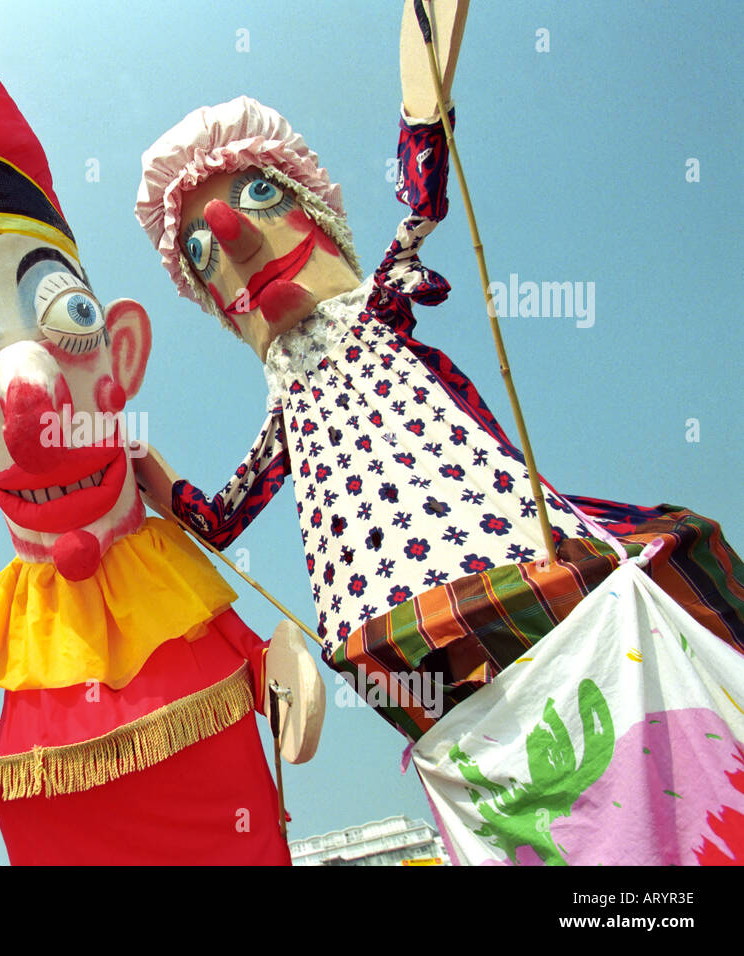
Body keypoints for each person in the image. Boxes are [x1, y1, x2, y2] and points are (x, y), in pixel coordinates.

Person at [133, 2, 743, 739]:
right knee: (494, 730)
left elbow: (422, 204)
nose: (231, 239)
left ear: (317, 217)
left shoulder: (373, 311)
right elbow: (223, 517)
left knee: (600, 664)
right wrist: (150, 477)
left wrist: (422, 111)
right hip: (383, 614)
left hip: (496, 545)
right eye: (200, 251)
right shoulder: (285, 412)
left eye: (261, 196)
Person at [0, 0, 324, 866]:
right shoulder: (16, 608)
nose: (30, 394)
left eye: (69, 320)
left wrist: (273, 662)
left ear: (120, 355)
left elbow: (243, 646)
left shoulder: (164, 562)